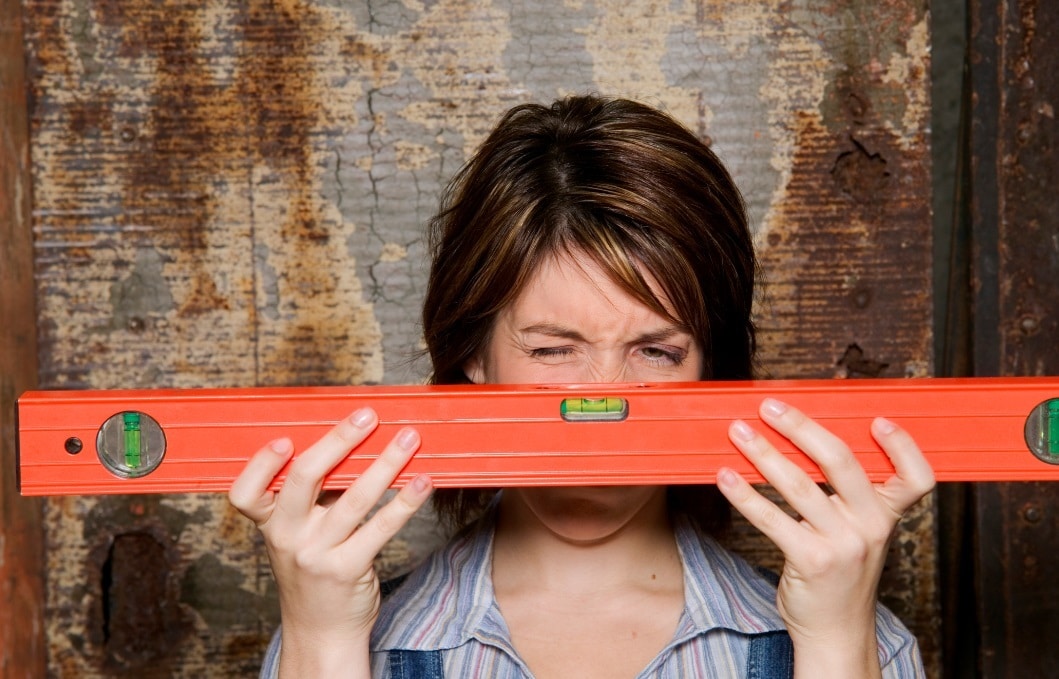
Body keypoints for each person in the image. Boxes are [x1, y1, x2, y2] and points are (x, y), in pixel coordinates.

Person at [229, 95, 935, 678]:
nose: (603, 402)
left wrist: (838, 648)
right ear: (472, 353)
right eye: (551, 349)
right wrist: (319, 641)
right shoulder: (339, 645)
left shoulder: (856, 644)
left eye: (655, 351)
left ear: (709, 368)